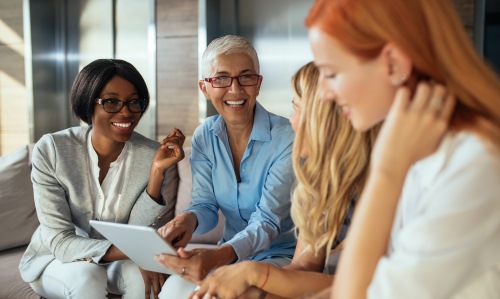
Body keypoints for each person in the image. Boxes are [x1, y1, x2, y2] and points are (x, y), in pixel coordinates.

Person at [304, 0, 500, 298]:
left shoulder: (476, 164)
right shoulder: (423, 148)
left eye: (330, 73)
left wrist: (387, 171)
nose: (323, 93)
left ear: (393, 63)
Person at [188, 62, 380, 299]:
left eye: (297, 109)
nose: (291, 121)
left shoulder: (382, 182)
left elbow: (370, 285)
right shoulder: (321, 183)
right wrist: (254, 290)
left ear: (325, 118)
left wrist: (255, 276)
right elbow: (305, 267)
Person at [18, 59, 186, 299]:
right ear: (88, 104)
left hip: (115, 258)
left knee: (144, 283)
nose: (126, 112)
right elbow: (60, 241)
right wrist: (136, 252)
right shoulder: (53, 149)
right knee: (87, 276)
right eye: (111, 102)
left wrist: (157, 172)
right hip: (55, 259)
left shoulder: (151, 153)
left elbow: (134, 230)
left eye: (133, 102)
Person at [155, 35, 297, 299]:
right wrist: (188, 219)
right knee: (172, 292)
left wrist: (218, 256)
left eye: (246, 77)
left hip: (281, 257)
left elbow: (268, 222)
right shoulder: (204, 136)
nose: (235, 89)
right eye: (221, 78)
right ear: (205, 88)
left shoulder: (287, 138)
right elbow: (206, 205)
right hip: (229, 255)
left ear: (258, 84)